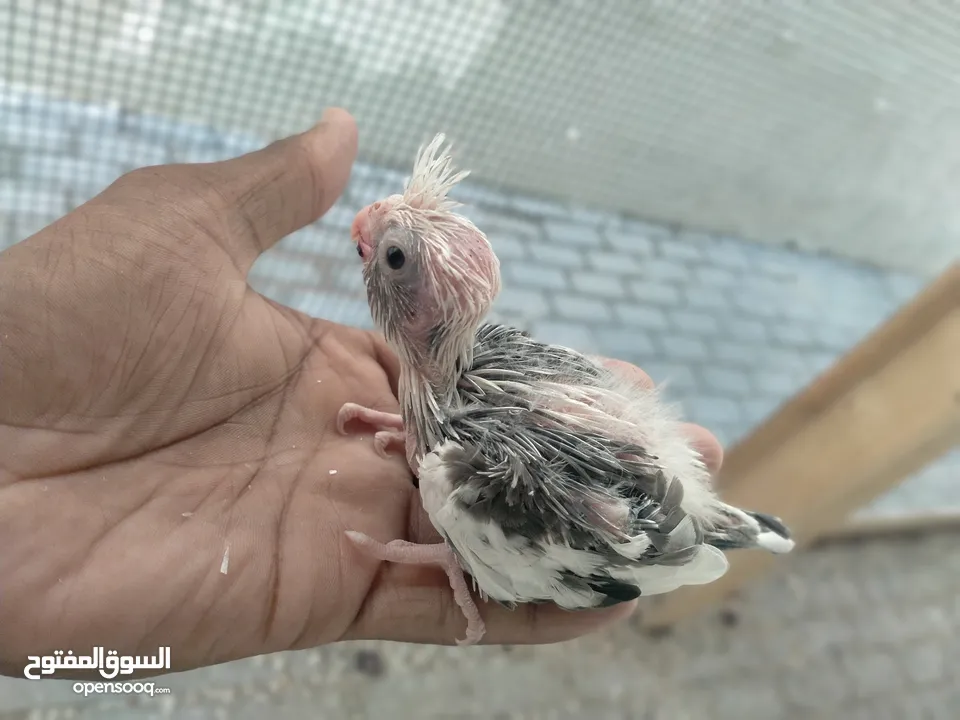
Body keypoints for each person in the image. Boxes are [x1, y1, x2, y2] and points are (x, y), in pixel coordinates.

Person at [0, 108, 724, 677]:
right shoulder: (484, 355)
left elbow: (574, 506)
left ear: (419, 310)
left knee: (459, 491)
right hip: (605, 486)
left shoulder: (459, 474)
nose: (367, 228)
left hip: (638, 526)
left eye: (395, 256)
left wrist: (464, 553)